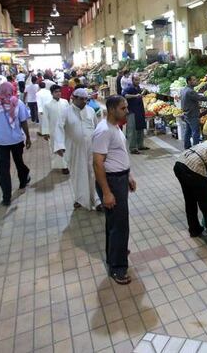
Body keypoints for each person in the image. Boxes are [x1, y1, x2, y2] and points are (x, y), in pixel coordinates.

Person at [92, 95, 136, 285]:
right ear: (112, 110)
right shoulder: (103, 131)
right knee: (119, 225)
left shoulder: (115, 126)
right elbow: (97, 163)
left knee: (115, 223)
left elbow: (120, 153)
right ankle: (118, 267)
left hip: (120, 179)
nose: (126, 111)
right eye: (123, 108)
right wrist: (107, 192)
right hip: (112, 182)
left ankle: (115, 253)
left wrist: (129, 175)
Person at [0, 82, 32, 206]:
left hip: (2, 142)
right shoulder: (17, 103)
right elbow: (23, 122)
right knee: (17, 163)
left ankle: (7, 196)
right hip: (15, 140)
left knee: (4, 169)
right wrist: (28, 137)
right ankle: (17, 186)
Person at [53, 88, 100, 209]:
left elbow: (96, 128)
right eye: (82, 99)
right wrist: (59, 145)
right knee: (77, 174)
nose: (85, 101)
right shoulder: (65, 112)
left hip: (91, 148)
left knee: (93, 173)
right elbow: (58, 128)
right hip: (74, 149)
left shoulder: (90, 111)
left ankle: (97, 200)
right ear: (74, 98)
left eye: (86, 99)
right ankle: (80, 198)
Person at [41, 85, 70, 175]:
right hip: (54, 130)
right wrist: (45, 132)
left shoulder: (65, 102)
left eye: (59, 91)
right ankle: (63, 166)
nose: (58, 93)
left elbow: (69, 115)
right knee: (58, 148)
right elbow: (45, 118)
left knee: (66, 147)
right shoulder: (47, 105)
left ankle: (67, 165)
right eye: (56, 92)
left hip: (65, 129)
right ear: (52, 93)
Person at [180, 76, 207, 149]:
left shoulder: (184, 90)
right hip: (192, 114)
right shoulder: (190, 91)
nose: (196, 81)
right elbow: (200, 98)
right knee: (195, 133)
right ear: (189, 82)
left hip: (187, 114)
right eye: (194, 80)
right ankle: (196, 149)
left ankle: (187, 147)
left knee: (188, 132)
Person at [123, 75, 149, 154]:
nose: (137, 81)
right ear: (132, 80)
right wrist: (135, 96)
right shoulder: (129, 88)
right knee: (132, 130)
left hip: (139, 111)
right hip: (132, 112)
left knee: (140, 128)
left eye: (138, 80)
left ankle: (140, 145)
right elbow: (124, 95)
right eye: (136, 80)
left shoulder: (138, 88)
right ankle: (133, 148)